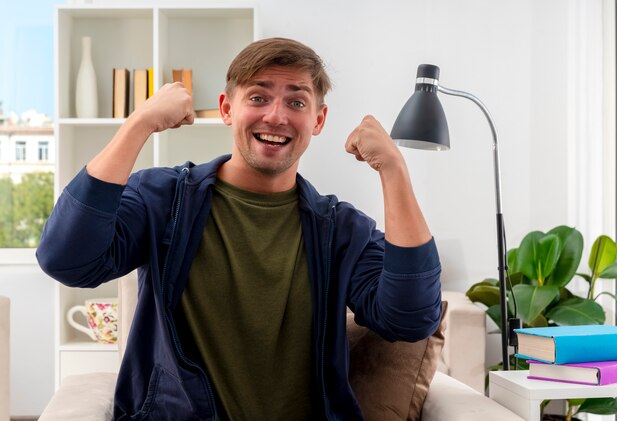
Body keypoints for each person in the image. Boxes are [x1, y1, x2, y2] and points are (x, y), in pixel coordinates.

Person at [37, 37, 442, 420]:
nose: (276, 116)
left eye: (296, 101)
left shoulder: (341, 228)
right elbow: (67, 260)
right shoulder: (164, 199)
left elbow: (410, 319)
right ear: (227, 109)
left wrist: (394, 170)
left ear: (318, 120)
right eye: (258, 97)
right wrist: (139, 123)